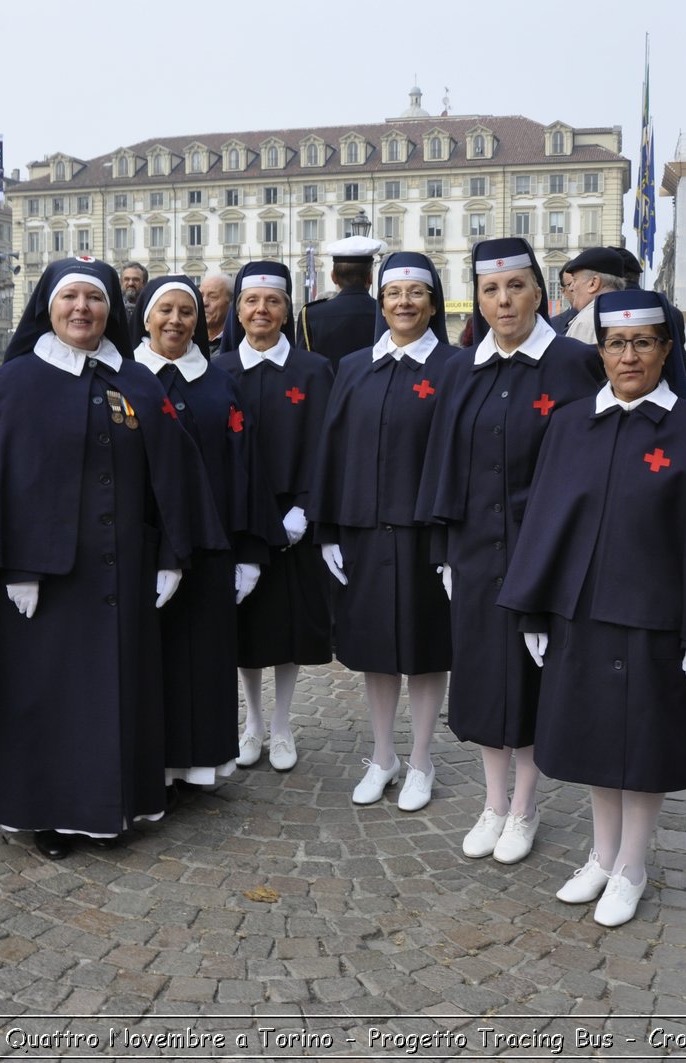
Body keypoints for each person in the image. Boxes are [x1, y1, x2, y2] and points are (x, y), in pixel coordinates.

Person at [498, 287, 686, 927]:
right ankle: (602, 857)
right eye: (615, 343)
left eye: (643, 343)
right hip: (579, 614)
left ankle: (632, 864)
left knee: (646, 745)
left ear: (666, 349)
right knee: (594, 741)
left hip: (656, 617)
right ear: (600, 350)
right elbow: (544, 521)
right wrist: (534, 611)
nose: (628, 356)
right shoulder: (571, 423)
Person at [0, 256, 221, 861]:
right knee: (50, 695)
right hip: (48, 577)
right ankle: (50, 812)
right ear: (48, 307)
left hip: (125, 569)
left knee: (116, 691)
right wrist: (17, 565)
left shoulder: (133, 379)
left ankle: (115, 806)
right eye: (70, 297)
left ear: (113, 310)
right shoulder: (20, 379)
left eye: (95, 299)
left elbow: (175, 472)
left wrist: (170, 555)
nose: (82, 308)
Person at [416, 236, 604, 864]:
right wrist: (443, 549)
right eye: (491, 290)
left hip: (542, 555)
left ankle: (524, 807)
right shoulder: (460, 368)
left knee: (529, 681)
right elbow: (442, 461)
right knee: (480, 679)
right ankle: (492, 802)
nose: (504, 301)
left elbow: (589, 470)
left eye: (515, 287)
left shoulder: (573, 364)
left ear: (538, 292)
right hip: (473, 553)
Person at [310, 252, 458, 812]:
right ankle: (382, 755)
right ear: (381, 301)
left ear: (432, 302)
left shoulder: (453, 367)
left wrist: (451, 540)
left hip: (425, 536)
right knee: (374, 650)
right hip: (363, 532)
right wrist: (326, 529)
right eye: (394, 293)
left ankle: (420, 759)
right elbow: (331, 448)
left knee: (424, 649)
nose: (403, 303)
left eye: (416, 293)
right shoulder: (352, 367)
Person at [131, 276, 276, 789]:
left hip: (212, 549)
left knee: (205, 660)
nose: (176, 320)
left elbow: (246, 466)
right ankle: (156, 770)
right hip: (143, 551)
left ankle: (199, 766)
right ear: (146, 317)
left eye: (186, 312)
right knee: (154, 663)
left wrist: (251, 550)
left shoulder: (219, 382)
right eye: (165, 310)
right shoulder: (125, 378)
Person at [214, 262, 335, 773]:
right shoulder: (217, 372)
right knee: (245, 632)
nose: (261, 311)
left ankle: (282, 724)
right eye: (251, 301)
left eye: (273, 302)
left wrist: (305, 508)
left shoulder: (313, 370)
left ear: (287, 311)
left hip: (293, 522)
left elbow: (326, 445)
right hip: (239, 524)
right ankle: (253, 722)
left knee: (285, 630)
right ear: (238, 309)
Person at [297, 235, 384, 369]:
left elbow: (303, 365)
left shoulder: (311, 314)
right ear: (370, 277)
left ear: (333, 277)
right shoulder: (385, 312)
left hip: (327, 389)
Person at [559, 247, 628, 345]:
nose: (571, 288)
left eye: (575, 280)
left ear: (593, 283)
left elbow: (576, 360)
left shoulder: (586, 322)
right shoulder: (630, 313)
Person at [199, 272, 233, 349]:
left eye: (212, 297)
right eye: (200, 296)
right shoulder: (186, 342)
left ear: (231, 302)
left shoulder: (239, 345)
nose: (204, 303)